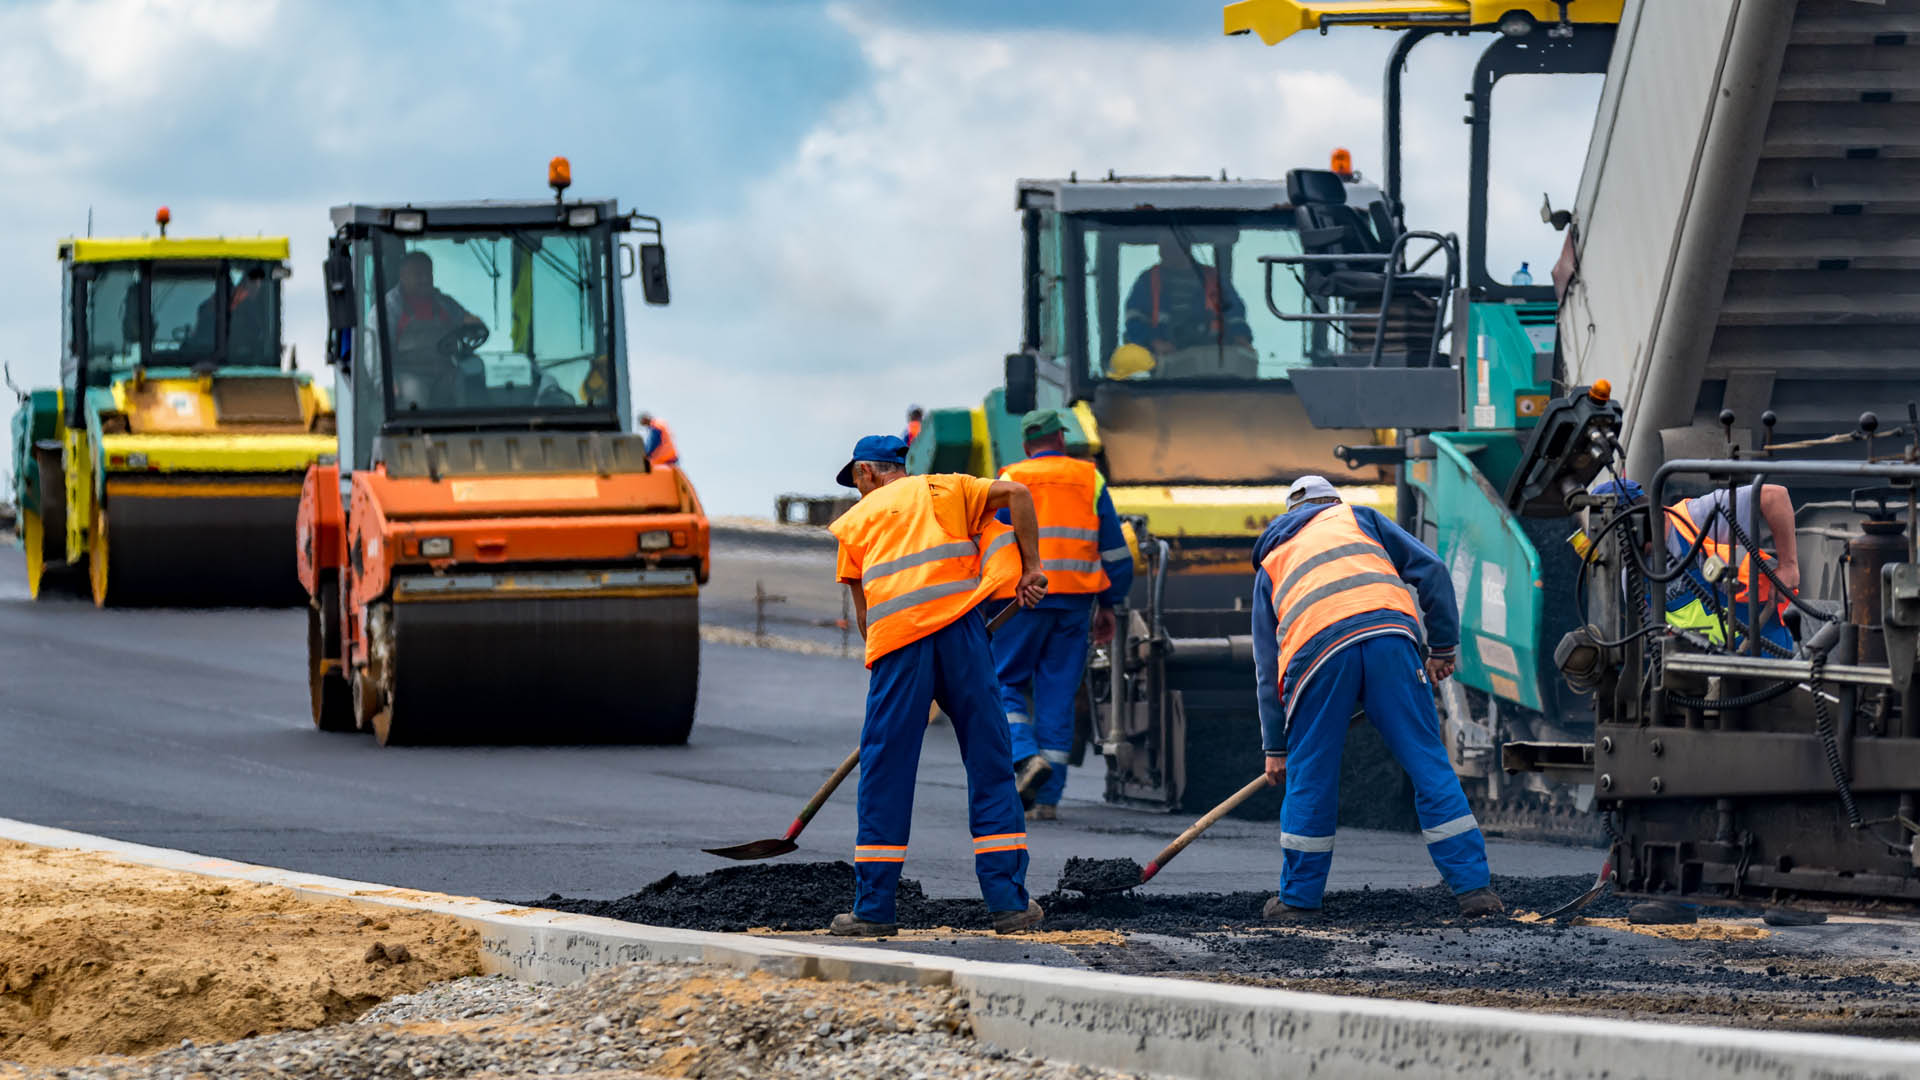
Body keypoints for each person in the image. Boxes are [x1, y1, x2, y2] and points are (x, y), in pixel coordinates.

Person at [826, 434, 1050, 937]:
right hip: (963, 635)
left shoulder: (856, 523)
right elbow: (1017, 495)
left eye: (857, 481)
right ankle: (1009, 905)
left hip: (899, 647)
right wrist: (1032, 567)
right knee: (991, 764)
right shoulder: (947, 489)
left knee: (886, 770)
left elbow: (866, 619)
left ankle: (874, 909)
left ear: (867, 473)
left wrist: (900, 677)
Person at [1252, 475, 1503, 921]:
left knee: (1311, 775)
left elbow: (1267, 666)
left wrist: (1276, 747)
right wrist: (1442, 647)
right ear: (1332, 502)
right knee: (1429, 764)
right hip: (1390, 640)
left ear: (1290, 514)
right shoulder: (1360, 519)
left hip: (1317, 658)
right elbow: (1434, 572)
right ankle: (1475, 891)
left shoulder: (1273, 558)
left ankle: (1298, 900)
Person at [1588, 477, 1823, 928]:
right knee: (1685, 770)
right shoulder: (1630, 576)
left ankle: (1790, 892)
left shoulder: (1697, 515)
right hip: (1700, 675)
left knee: (1779, 767)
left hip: (1762, 651)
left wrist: (1789, 565)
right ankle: (1678, 895)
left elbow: (1774, 495)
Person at [987, 409, 1134, 819]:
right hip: (1075, 603)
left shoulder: (1010, 475)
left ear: (1027, 444)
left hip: (1021, 599)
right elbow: (1116, 553)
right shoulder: (1090, 478)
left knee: (1001, 681)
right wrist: (1111, 603)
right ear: (1061, 440)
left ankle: (1024, 756)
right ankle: (1047, 801)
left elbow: (994, 543)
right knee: (1058, 695)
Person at [1123, 239, 1253, 356]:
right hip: (1162, 369)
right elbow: (1134, 320)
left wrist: (1240, 337)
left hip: (1213, 363)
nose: (1165, 248)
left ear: (1187, 244)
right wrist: (1153, 343)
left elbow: (1234, 313)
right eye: (1163, 242)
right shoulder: (1147, 280)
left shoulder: (1213, 278)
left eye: (1173, 242)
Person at [385, 251, 485, 364]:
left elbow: (464, 319)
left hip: (445, 367)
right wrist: (388, 381)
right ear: (403, 276)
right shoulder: (389, 308)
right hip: (409, 372)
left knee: (475, 365)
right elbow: (376, 351)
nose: (425, 279)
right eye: (418, 275)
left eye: (429, 274)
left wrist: (474, 324)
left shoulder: (444, 302)